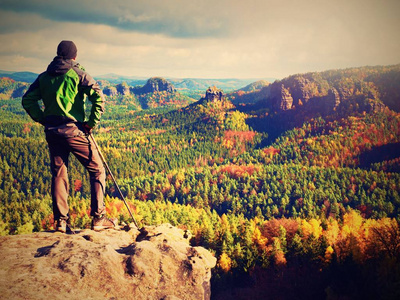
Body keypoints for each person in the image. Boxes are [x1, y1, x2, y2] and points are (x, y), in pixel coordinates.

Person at [22, 40, 117, 233]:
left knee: (59, 173)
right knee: (97, 169)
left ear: (58, 54)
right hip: (74, 131)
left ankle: (60, 222)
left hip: (52, 131)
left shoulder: (44, 76)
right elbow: (98, 97)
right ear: (74, 56)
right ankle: (99, 218)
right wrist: (91, 122)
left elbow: (27, 100)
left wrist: (42, 119)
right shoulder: (79, 74)